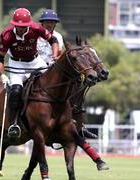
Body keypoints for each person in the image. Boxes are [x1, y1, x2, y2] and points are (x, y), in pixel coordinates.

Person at [0, 8, 58, 138]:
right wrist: (2, 75)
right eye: (18, 26)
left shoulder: (36, 28)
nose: (21, 29)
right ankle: (14, 124)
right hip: (17, 64)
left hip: (35, 62)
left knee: (55, 82)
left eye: (24, 26)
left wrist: (55, 56)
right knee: (16, 91)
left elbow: (54, 40)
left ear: (28, 24)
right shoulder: (6, 35)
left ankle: (64, 116)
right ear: (14, 24)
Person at [37, 9, 97, 139]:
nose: (50, 25)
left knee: (76, 83)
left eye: (52, 22)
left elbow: (59, 55)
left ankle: (79, 124)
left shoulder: (58, 37)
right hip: (36, 68)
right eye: (47, 22)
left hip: (53, 69)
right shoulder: (35, 36)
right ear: (42, 23)